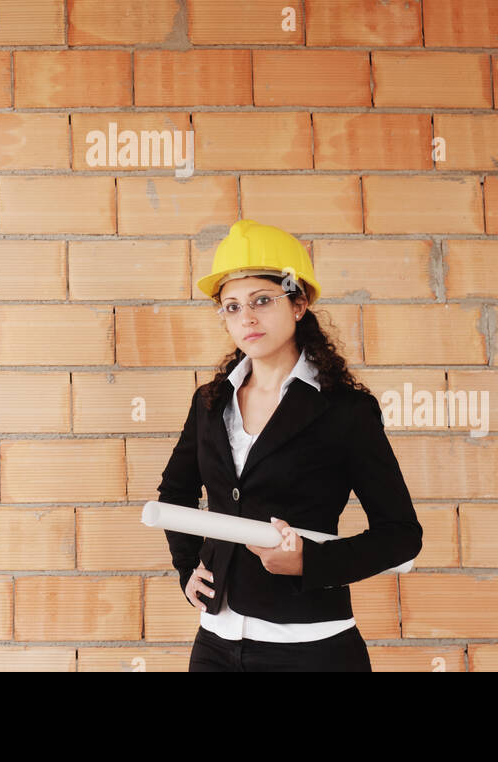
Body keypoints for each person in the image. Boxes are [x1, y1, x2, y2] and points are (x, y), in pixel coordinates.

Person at [157, 219, 423, 672]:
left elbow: (401, 536)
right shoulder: (209, 403)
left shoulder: (345, 412)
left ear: (299, 303)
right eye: (232, 307)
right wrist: (188, 569)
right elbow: (174, 493)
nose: (248, 318)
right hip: (216, 646)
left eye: (263, 300)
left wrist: (309, 562)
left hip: (310, 649)